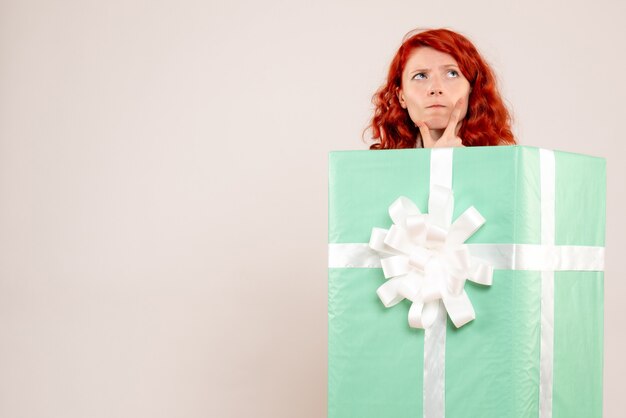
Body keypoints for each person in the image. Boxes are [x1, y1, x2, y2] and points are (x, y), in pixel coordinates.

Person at [366, 28, 516, 149]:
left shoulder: (503, 159)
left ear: (471, 87)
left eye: (452, 73)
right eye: (420, 76)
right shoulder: (383, 165)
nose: (435, 88)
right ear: (401, 97)